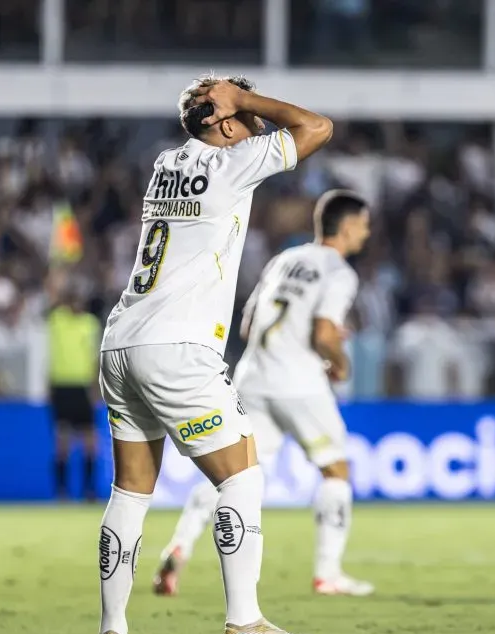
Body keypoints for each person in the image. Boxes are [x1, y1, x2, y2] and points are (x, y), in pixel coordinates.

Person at [92, 75, 333, 634]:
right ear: (225, 124)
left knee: (130, 492)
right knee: (242, 476)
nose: (258, 126)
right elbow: (318, 128)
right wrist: (244, 98)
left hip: (122, 342)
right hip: (177, 349)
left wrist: (226, 101)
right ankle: (244, 621)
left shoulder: (165, 164)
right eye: (246, 117)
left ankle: (112, 632)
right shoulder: (231, 165)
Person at [152, 190, 374, 599]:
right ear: (346, 226)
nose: (368, 230)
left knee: (234, 474)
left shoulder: (284, 259)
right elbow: (324, 333)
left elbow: (247, 324)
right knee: (336, 471)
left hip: (253, 378)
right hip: (301, 383)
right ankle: (328, 574)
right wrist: (339, 361)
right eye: (363, 223)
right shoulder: (340, 272)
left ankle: (178, 546)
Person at [47, 286, 101, 500]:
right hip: (62, 386)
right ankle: (62, 491)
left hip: (83, 387)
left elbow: (95, 358)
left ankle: (89, 490)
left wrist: (96, 388)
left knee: (90, 442)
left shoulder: (90, 324)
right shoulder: (56, 321)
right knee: (62, 442)